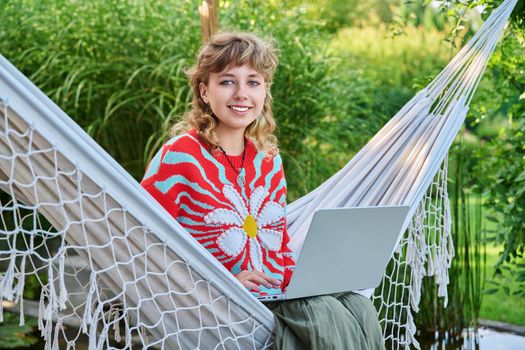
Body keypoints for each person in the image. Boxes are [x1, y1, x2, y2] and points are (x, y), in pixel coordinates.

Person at [141, 31, 384, 350]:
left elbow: (278, 243)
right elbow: (141, 245)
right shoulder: (180, 156)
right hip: (220, 307)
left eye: (253, 82)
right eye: (227, 81)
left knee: (357, 304)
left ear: (265, 91)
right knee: (320, 313)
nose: (241, 93)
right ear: (204, 90)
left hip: (275, 298)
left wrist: (300, 280)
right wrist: (221, 285)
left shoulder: (268, 160)